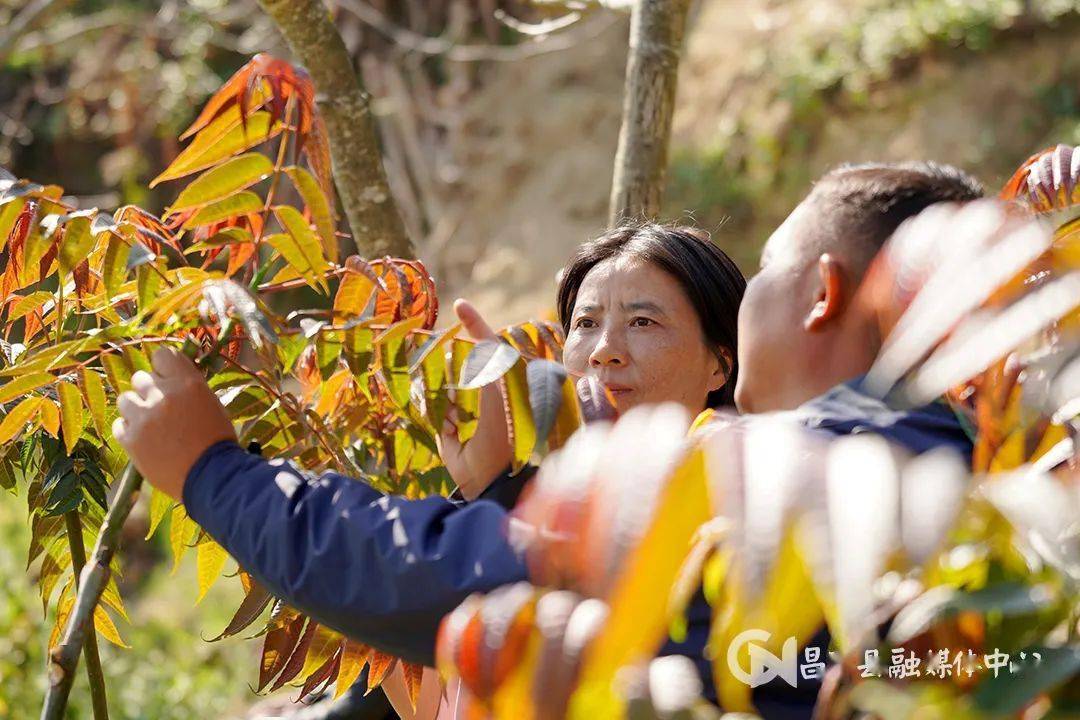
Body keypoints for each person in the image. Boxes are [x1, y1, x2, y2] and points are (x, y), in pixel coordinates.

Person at [111, 222, 746, 671]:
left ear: (721, 363)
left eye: (643, 321)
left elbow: (426, 575)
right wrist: (492, 490)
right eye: (584, 324)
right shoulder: (596, 498)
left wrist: (213, 472)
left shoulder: (725, 476)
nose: (604, 348)